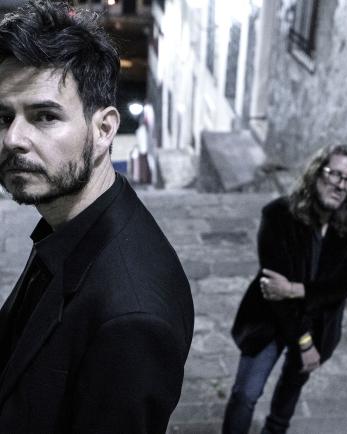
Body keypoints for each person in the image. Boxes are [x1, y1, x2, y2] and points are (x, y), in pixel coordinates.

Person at [0, 1, 194, 432]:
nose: (13, 139)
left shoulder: (132, 319)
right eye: (3, 116)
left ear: (104, 130)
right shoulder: (69, 220)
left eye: (45, 116)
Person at [223, 145, 347, 433]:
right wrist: (303, 342)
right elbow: (276, 295)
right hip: (273, 318)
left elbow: (345, 282)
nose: (340, 185)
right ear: (317, 173)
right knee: (245, 394)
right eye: (335, 174)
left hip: (320, 324)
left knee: (288, 396)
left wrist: (294, 289)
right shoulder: (278, 215)